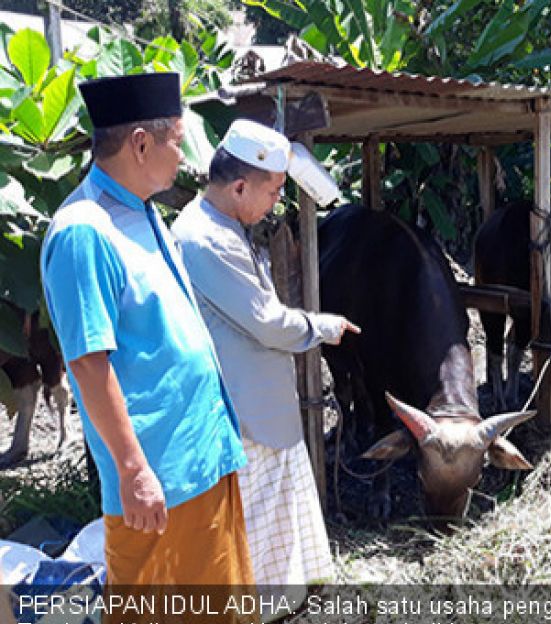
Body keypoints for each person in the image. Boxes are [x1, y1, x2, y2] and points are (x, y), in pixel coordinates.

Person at [40, 73, 254, 595]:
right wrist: (134, 472)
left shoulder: (142, 212)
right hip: (159, 480)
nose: (183, 156)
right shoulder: (84, 231)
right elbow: (90, 363)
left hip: (202, 460)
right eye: (177, 141)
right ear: (141, 143)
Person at [171, 119, 357, 597]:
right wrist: (323, 327)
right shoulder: (204, 239)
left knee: (275, 516)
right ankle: (260, 607)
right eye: (274, 190)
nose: (278, 201)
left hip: (262, 406)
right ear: (238, 186)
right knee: (255, 520)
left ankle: (281, 601)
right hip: (246, 412)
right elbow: (268, 322)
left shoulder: (224, 226)